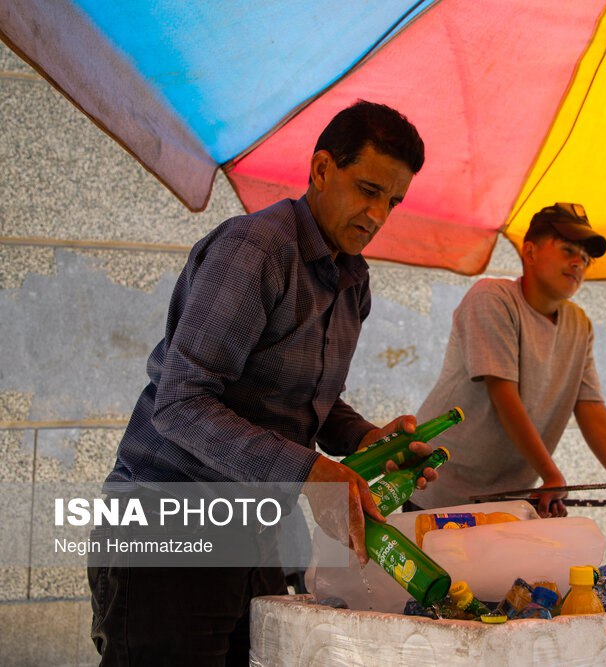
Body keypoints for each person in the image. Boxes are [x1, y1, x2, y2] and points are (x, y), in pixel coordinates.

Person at [89, 100, 435, 666]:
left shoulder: (352, 282)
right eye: (368, 189)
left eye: (392, 201)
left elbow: (301, 397)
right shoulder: (255, 250)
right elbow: (180, 404)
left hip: (261, 532)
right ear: (322, 169)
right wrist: (308, 472)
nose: (377, 214)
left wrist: (364, 439)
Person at [412, 202, 606, 519]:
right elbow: (504, 395)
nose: (578, 264)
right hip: (437, 485)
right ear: (529, 253)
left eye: (585, 259)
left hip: (509, 498)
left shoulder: (579, 324)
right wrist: (552, 475)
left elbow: (590, 407)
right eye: (568, 250)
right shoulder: (493, 298)